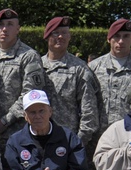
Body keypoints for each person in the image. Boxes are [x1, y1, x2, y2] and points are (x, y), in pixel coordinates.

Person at [0, 8, 45, 148]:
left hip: (17, 131)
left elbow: (30, 93)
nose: (4, 29)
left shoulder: (29, 56)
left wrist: (5, 121)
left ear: (18, 29)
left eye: (10, 24)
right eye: (1, 25)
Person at [39, 16, 100, 148]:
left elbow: (89, 110)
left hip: (67, 141)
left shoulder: (80, 68)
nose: (60, 37)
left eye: (64, 33)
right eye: (56, 33)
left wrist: (79, 142)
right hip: (37, 140)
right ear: (47, 36)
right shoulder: (36, 66)